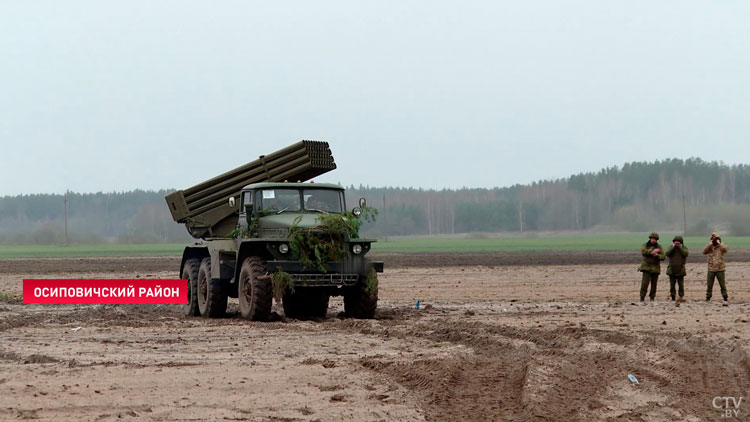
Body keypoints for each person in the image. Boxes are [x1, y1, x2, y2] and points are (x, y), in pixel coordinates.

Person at [702, 232, 729, 306]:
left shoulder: (722, 246)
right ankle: (708, 297)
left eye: (715, 239)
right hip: (711, 269)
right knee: (709, 285)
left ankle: (725, 297)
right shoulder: (710, 247)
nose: (714, 240)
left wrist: (719, 243)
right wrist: (709, 244)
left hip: (720, 269)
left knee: (722, 285)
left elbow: (725, 249)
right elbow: (704, 252)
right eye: (713, 239)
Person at [639, 232, 665, 302]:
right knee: (644, 283)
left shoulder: (659, 247)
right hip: (646, 267)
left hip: (656, 268)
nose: (653, 240)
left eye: (655, 239)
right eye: (652, 239)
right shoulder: (645, 245)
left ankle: (652, 297)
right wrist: (652, 251)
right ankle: (642, 297)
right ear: (650, 239)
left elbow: (663, 257)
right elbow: (643, 252)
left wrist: (657, 255)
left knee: (654, 285)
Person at [665, 235, 688, 303]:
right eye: (675, 241)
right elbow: (667, 254)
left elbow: (685, 254)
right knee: (672, 285)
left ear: (681, 242)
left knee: (681, 284)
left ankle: (681, 296)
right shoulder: (671, 247)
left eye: (678, 241)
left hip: (680, 269)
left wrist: (679, 247)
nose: (677, 242)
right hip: (671, 269)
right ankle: (673, 296)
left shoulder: (684, 248)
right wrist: (673, 247)